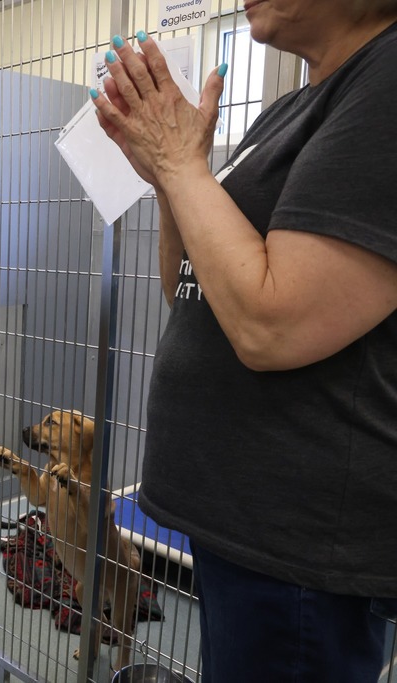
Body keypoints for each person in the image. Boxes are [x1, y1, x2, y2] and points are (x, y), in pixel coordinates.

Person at [91, 2, 397, 680]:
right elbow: (187, 286)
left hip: (299, 545)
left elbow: (270, 325)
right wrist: (171, 176)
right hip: (235, 526)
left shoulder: (385, 86)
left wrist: (180, 162)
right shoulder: (287, 111)